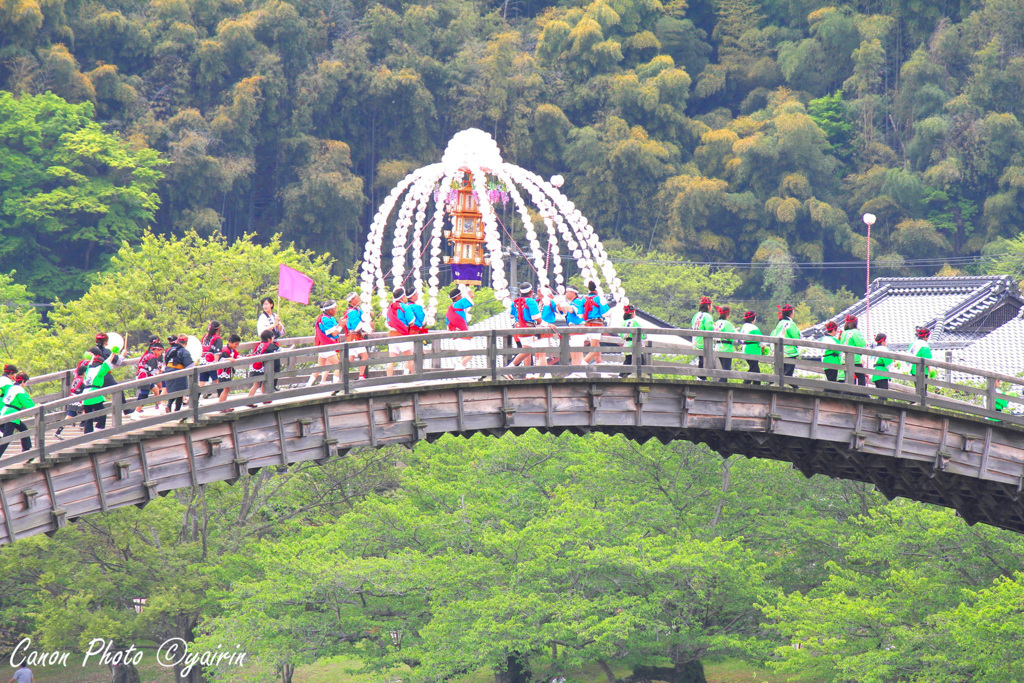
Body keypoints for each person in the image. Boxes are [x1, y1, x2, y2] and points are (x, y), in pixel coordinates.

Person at [81, 345, 122, 432]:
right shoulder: (100, 369)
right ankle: (99, 428)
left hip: (85, 395)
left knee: (89, 416)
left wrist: (92, 356)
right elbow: (108, 361)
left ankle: (87, 433)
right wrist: (113, 352)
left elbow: (90, 362)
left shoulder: (88, 369)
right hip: (94, 394)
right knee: (103, 412)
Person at [509, 282, 545, 375]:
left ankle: (528, 373)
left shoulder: (515, 301)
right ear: (531, 291)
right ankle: (509, 369)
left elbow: (511, 316)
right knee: (527, 351)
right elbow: (536, 318)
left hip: (518, 328)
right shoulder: (531, 301)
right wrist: (547, 324)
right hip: (528, 328)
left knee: (526, 351)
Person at [0, 372, 34, 459]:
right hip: (11, 415)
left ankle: (27, 450)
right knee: (7, 438)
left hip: (5, 412)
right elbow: (28, 404)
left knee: (23, 429)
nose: (26, 384)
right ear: (23, 381)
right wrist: (38, 407)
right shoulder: (20, 390)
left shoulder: (11, 388)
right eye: (26, 382)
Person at [54, 358, 89, 440]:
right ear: (84, 373)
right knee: (84, 411)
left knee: (71, 415)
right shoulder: (81, 381)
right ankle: (82, 424)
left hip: (72, 398)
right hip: (77, 400)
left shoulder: (76, 379)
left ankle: (58, 431)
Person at [309, 300, 342, 386]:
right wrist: (341, 326)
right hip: (327, 345)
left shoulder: (326, 318)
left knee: (320, 366)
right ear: (330, 310)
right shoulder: (325, 319)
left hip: (323, 345)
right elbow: (334, 333)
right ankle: (336, 386)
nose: (336, 310)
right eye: (335, 308)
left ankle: (308, 385)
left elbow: (335, 328)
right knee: (339, 366)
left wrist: (340, 324)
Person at [385, 287, 415, 377]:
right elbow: (411, 321)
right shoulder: (405, 307)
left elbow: (388, 322)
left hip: (392, 335)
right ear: (402, 297)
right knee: (410, 358)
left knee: (391, 360)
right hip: (402, 334)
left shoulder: (390, 308)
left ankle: (389, 380)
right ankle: (416, 377)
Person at [581, 281, 613, 365]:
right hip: (597, 323)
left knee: (596, 345)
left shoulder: (584, 299)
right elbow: (605, 313)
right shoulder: (599, 298)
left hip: (587, 323)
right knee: (594, 348)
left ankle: (599, 363)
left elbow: (580, 314)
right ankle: (581, 367)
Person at [132, 338, 165, 416]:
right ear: (157, 349)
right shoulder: (152, 357)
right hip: (144, 377)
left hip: (142, 375)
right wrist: (159, 374)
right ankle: (136, 413)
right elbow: (152, 371)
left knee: (156, 390)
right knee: (144, 395)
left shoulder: (148, 354)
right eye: (161, 351)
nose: (161, 354)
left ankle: (161, 408)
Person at [247, 329, 281, 402]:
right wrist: (291, 348)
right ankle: (249, 401)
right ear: (269, 339)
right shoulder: (269, 345)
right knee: (256, 385)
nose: (273, 339)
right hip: (258, 366)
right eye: (272, 337)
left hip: (255, 365)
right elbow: (280, 350)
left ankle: (265, 399)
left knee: (264, 382)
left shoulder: (260, 344)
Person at [162, 334, 193, 413]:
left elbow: (165, 361)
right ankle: (177, 411)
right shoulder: (184, 351)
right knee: (180, 393)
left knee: (172, 391)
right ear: (186, 342)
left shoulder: (169, 350)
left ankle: (168, 405)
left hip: (168, 370)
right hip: (178, 371)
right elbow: (189, 365)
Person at [446, 285, 475, 370]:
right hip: (461, 333)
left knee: (464, 355)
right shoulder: (458, 304)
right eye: (460, 295)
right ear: (458, 297)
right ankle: (458, 367)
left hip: (455, 333)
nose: (461, 297)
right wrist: (467, 287)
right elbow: (471, 297)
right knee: (470, 354)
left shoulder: (451, 307)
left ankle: (461, 374)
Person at [344, 292, 371, 380]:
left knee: (350, 359)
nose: (359, 299)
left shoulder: (357, 310)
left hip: (354, 337)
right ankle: (361, 376)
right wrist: (367, 327)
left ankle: (342, 376)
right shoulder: (352, 312)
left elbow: (364, 316)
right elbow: (356, 326)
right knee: (364, 356)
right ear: (352, 300)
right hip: (355, 336)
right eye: (357, 298)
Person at [770, 304, 800, 379]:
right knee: (788, 372)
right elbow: (796, 336)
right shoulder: (790, 324)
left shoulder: (779, 323)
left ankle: (779, 382)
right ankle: (789, 384)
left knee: (780, 370)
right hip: (789, 351)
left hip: (778, 350)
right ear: (791, 313)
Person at [738, 311, 767, 385]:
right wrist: (763, 347)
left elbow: (740, 339)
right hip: (753, 350)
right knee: (754, 368)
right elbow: (761, 341)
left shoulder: (744, 327)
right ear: (754, 318)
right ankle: (746, 383)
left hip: (745, 348)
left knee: (755, 368)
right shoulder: (754, 328)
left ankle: (756, 384)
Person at [216, 334, 243, 410]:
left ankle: (221, 405)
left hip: (227, 372)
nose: (237, 346)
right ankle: (223, 407)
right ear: (230, 342)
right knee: (226, 389)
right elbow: (220, 360)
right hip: (223, 373)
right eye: (236, 344)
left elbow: (237, 356)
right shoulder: (225, 350)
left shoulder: (232, 350)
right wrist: (229, 359)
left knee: (226, 389)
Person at [839, 314, 867, 386]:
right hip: (855, 359)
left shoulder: (844, 333)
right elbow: (861, 343)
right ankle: (861, 393)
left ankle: (849, 392)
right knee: (861, 377)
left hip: (844, 358)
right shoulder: (855, 331)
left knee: (848, 377)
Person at [619, 304, 645, 377]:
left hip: (627, 343)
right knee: (641, 362)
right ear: (632, 313)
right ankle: (641, 377)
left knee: (628, 361)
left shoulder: (623, 323)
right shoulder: (635, 322)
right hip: (636, 343)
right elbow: (642, 334)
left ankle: (622, 376)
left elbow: (621, 334)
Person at [563, 285, 586, 368]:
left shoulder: (577, 302)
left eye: (567, 292)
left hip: (578, 328)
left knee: (576, 350)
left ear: (573, 293)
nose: (566, 294)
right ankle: (577, 369)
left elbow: (572, 310)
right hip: (573, 329)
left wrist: (564, 303)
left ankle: (577, 370)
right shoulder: (573, 303)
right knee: (574, 350)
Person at [691, 296, 714, 379]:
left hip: (696, 340)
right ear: (708, 306)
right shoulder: (707, 316)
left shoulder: (696, 315)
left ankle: (700, 377)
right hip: (703, 342)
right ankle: (702, 378)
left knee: (701, 360)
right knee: (704, 361)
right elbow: (709, 328)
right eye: (711, 306)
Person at [713, 306, 736, 382]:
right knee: (727, 370)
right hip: (726, 348)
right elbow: (733, 336)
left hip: (718, 346)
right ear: (728, 314)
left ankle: (722, 383)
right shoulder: (728, 324)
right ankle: (720, 384)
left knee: (724, 369)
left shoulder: (717, 322)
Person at [198, 321, 224, 389]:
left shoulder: (205, 337)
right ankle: (221, 397)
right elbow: (216, 353)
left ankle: (195, 398)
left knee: (201, 382)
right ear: (218, 329)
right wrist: (216, 364)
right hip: (211, 361)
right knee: (217, 380)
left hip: (203, 360)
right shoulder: (217, 338)